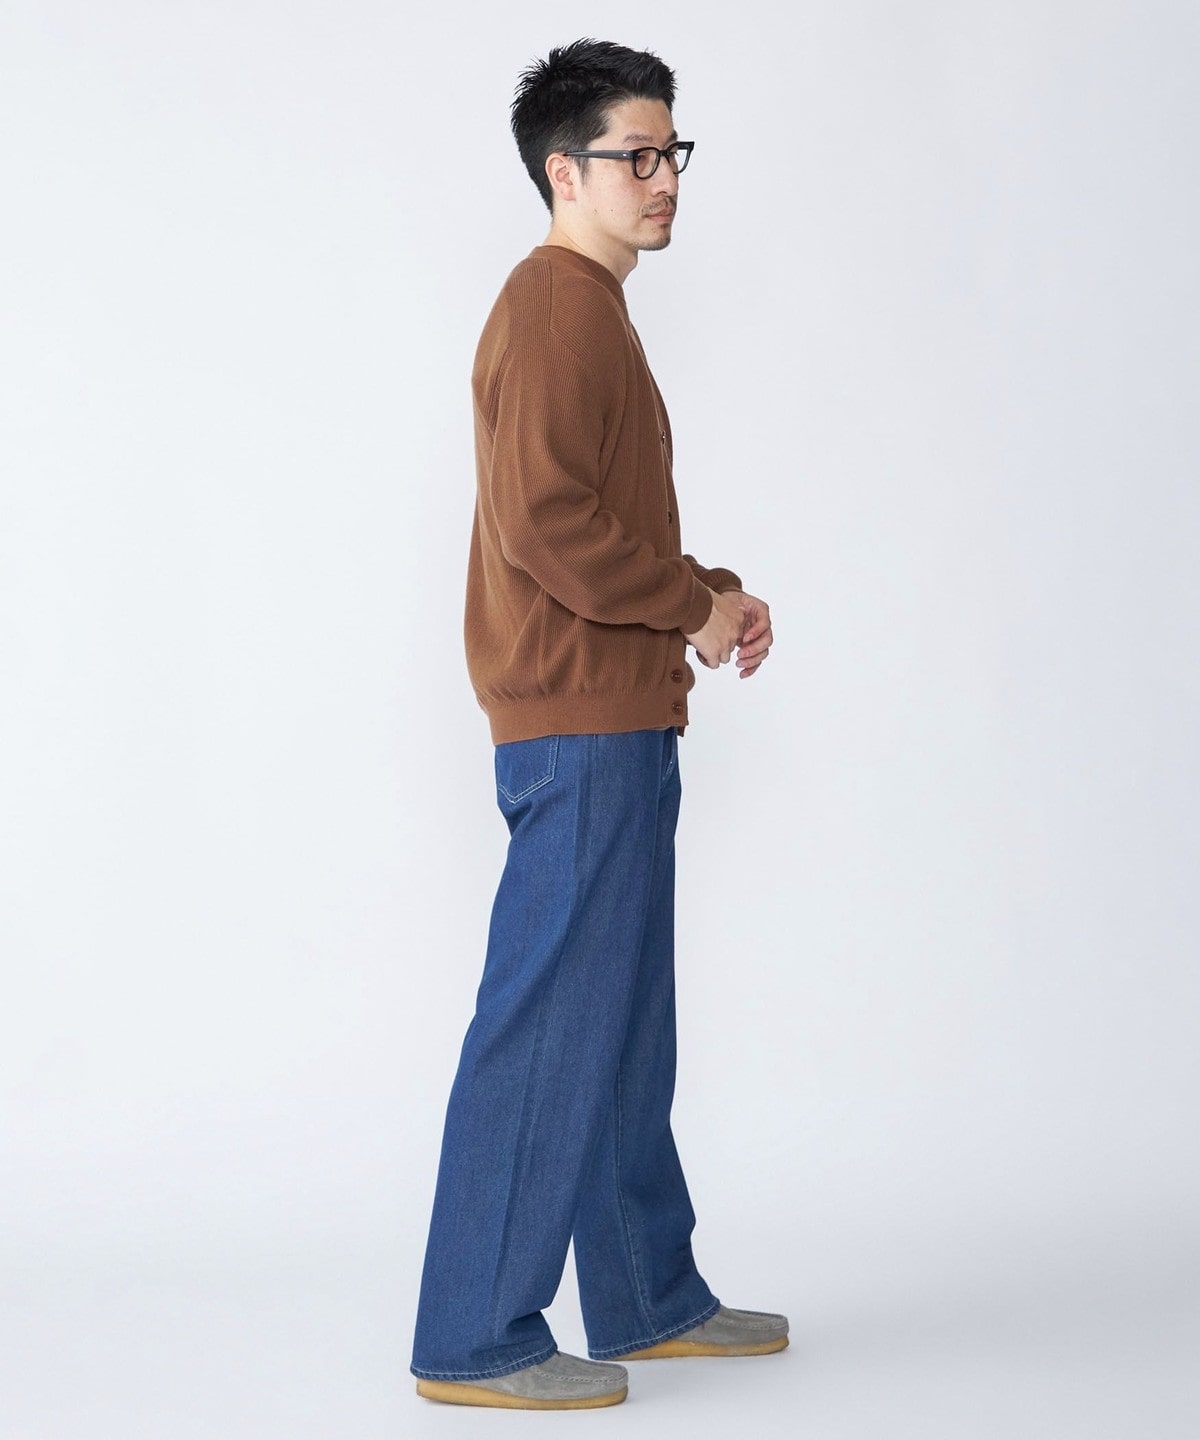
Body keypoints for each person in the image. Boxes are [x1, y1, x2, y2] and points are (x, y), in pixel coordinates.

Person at [411, 39, 783, 1411]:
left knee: (620, 1022)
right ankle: (473, 1335)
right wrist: (692, 606)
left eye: (673, 152)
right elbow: (548, 525)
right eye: (638, 155)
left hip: (613, 712)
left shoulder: (591, 308)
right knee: (550, 1023)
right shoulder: (556, 303)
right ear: (564, 172)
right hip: (576, 725)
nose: (664, 177)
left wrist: (707, 594)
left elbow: (590, 521)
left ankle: (642, 1292)